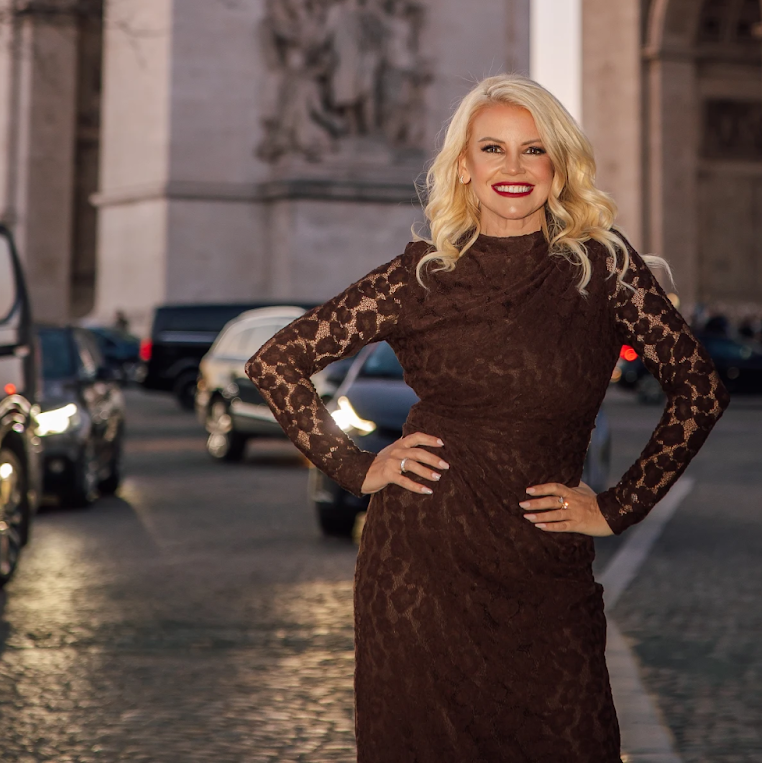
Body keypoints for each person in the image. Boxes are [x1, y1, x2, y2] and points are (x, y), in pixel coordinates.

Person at [247, 73, 728, 762]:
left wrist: (617, 506)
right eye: (492, 149)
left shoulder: (606, 270)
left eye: (532, 150)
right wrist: (358, 466)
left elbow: (699, 389)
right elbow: (276, 362)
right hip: (420, 566)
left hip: (544, 566)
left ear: (558, 167)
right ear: (464, 169)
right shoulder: (418, 276)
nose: (512, 168)